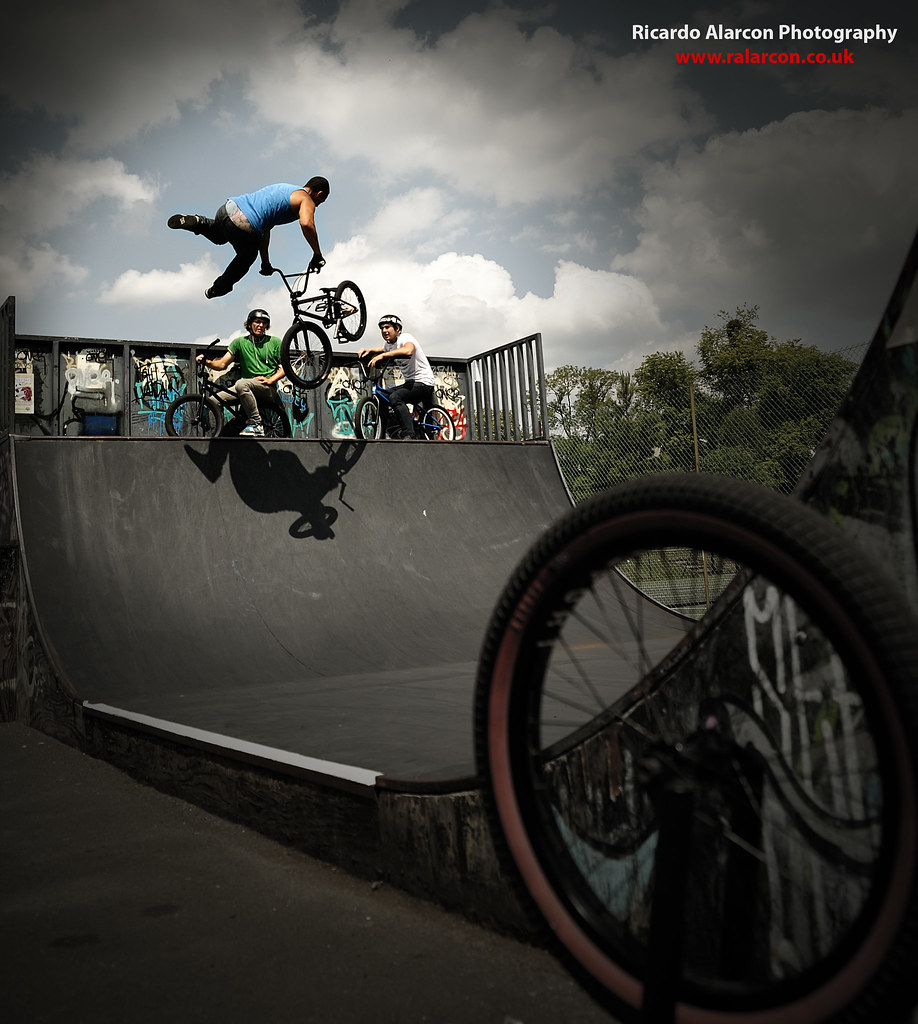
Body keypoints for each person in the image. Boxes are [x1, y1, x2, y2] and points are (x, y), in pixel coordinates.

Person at [168, 178, 330, 299]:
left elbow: (265, 230)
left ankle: (198, 222)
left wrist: (265, 262)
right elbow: (307, 224)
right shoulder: (306, 199)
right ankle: (219, 288)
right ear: (319, 193)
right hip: (246, 223)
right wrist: (317, 254)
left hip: (228, 209)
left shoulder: (284, 189)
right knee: (246, 257)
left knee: (219, 236)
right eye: (321, 202)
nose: (318, 205)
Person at [199, 309, 285, 437]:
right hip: (246, 387)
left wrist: (271, 380)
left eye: (264, 323)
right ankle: (216, 433)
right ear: (249, 324)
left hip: (266, 388)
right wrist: (206, 362)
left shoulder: (275, 342)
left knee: (241, 384)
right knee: (213, 401)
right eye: (257, 322)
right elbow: (222, 364)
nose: (261, 325)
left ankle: (257, 424)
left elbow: (286, 367)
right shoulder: (239, 343)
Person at [358, 315, 435, 439]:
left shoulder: (405, 338)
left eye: (387, 327)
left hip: (423, 382)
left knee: (396, 397)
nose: (384, 331)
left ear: (397, 328)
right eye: (382, 328)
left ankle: (409, 434)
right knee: (382, 397)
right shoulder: (389, 345)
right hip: (411, 382)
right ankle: (381, 433)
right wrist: (369, 350)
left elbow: (408, 350)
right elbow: (382, 348)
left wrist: (384, 356)